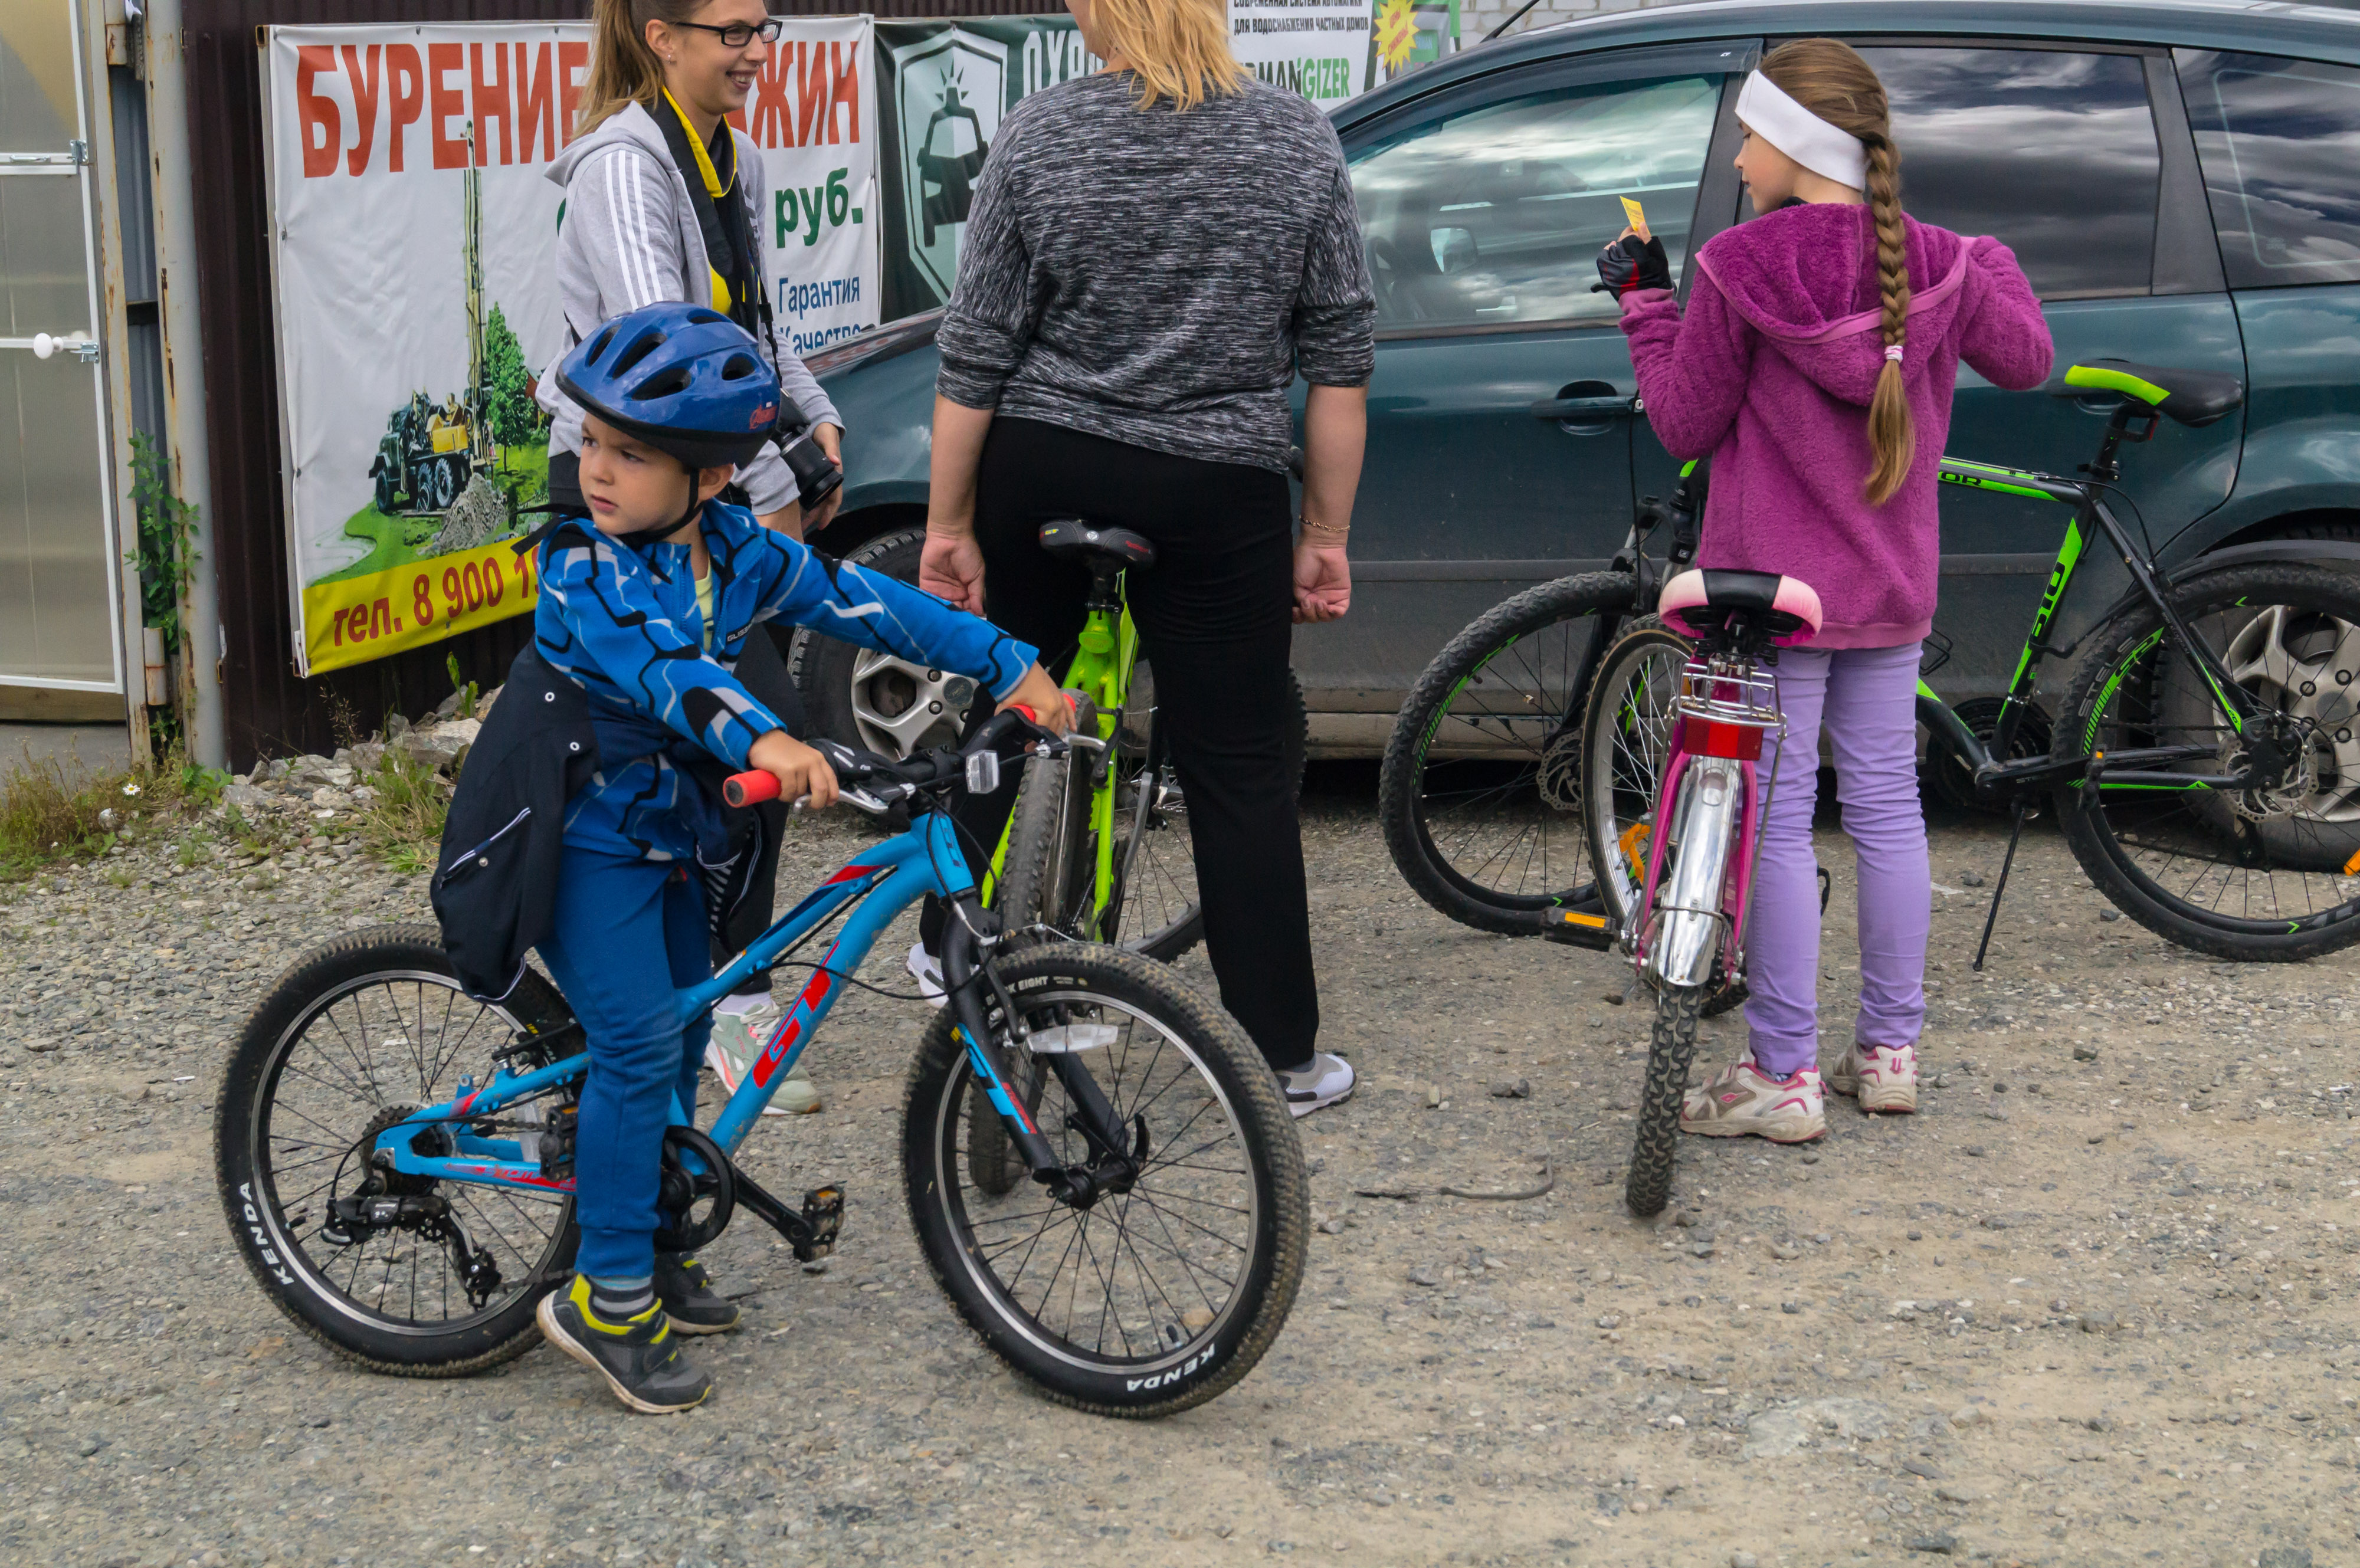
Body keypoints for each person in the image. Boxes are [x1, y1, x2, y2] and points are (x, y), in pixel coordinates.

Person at [525, 302, 1066, 1413]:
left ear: (715, 478)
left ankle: (656, 1230)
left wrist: (1009, 661)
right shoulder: (583, 569)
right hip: (578, 835)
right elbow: (673, 672)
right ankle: (607, 1290)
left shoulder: (733, 549)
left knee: (680, 1032)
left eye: (633, 452)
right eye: (593, 443)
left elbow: (871, 605)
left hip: (669, 832)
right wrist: (765, 734)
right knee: (636, 1040)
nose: (599, 470)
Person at [913, 0, 1373, 1117]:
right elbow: (1340, 362)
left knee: (1012, 700)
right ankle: (1277, 1054)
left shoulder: (1037, 134)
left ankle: (945, 948)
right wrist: (1322, 536)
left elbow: (975, 355)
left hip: (1047, 466)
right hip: (1221, 486)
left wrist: (949, 523)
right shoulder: (1297, 140)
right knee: (1237, 758)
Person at [1598, 38, 2052, 1144]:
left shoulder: (1737, 267)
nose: (1740, 159)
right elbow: (2031, 360)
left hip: (1770, 600)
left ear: (1796, 145)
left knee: (1778, 814)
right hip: (1892, 586)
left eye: (1749, 136)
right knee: (1891, 808)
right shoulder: (1942, 261)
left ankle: (1784, 1074)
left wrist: (1645, 304)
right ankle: (1890, 1052)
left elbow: (1685, 423)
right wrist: (1984, 259)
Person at [540, 0, 846, 1113]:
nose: (754, 51)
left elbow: (755, 335)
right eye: (730, 29)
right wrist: (772, 490)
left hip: (712, 496)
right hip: (631, 499)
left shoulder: (737, 157)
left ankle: (694, 992)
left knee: (721, 757)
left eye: (763, 26)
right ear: (660, 36)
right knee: (742, 736)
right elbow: (667, 361)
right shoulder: (626, 166)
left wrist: (820, 427)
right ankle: (710, 1005)